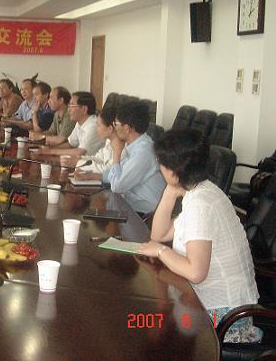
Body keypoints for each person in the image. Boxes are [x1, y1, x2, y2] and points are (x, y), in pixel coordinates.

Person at [138, 129, 261, 343]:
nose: (159, 166)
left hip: (223, 318)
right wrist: (170, 191)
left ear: (173, 170)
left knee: (141, 322)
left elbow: (195, 272)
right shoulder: (204, 190)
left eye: (160, 162)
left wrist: (160, 251)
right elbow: (159, 234)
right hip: (209, 303)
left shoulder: (200, 204)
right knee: (149, 318)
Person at [100, 100, 165, 214]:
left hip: (143, 213)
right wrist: (93, 176)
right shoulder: (138, 145)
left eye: (116, 124)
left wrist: (116, 153)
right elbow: (117, 173)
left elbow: (117, 186)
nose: (114, 128)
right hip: (131, 205)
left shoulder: (143, 152)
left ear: (127, 128)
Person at [39, 91, 103, 160]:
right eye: (69, 105)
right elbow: (70, 144)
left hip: (95, 164)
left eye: (72, 106)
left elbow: (80, 152)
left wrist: (51, 151)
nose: (68, 109)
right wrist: (50, 149)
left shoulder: (93, 125)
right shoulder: (79, 122)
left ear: (84, 109)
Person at [73, 106, 125, 175]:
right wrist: (80, 158)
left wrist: (78, 163)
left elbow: (108, 170)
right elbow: (99, 158)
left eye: (98, 125)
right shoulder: (109, 141)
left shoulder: (122, 148)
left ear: (110, 129)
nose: (96, 128)